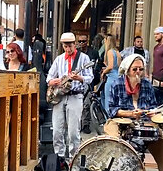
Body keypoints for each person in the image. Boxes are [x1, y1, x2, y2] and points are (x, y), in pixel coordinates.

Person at [47, 32, 93, 163]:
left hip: (75, 96)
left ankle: (74, 159)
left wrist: (79, 78)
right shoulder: (59, 59)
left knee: (73, 131)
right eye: (65, 46)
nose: (68, 49)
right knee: (57, 130)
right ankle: (59, 158)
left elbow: (90, 78)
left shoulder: (84, 58)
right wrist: (54, 81)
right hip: (59, 97)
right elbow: (49, 77)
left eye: (70, 46)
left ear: (75, 45)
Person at [77, 34, 100, 134]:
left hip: (89, 81)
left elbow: (98, 65)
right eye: (80, 41)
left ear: (87, 42)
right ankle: (78, 124)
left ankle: (86, 124)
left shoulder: (93, 52)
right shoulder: (76, 53)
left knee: (87, 103)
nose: (82, 43)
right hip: (77, 82)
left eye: (84, 41)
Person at [100, 34, 121, 111]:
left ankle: (107, 118)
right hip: (117, 76)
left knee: (108, 100)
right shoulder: (117, 52)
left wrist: (103, 72)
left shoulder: (109, 52)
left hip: (111, 77)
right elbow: (117, 65)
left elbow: (110, 66)